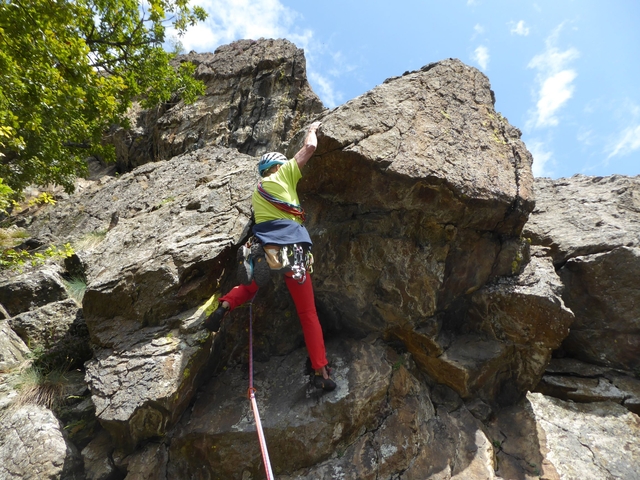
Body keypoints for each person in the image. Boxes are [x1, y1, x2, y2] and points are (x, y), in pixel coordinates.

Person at [204, 121, 336, 392]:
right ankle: (321, 372)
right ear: (278, 166)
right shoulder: (284, 174)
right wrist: (312, 128)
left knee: (252, 285)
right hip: (295, 250)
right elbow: (310, 147)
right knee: (307, 312)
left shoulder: (257, 191)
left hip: (268, 250)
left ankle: (226, 305)